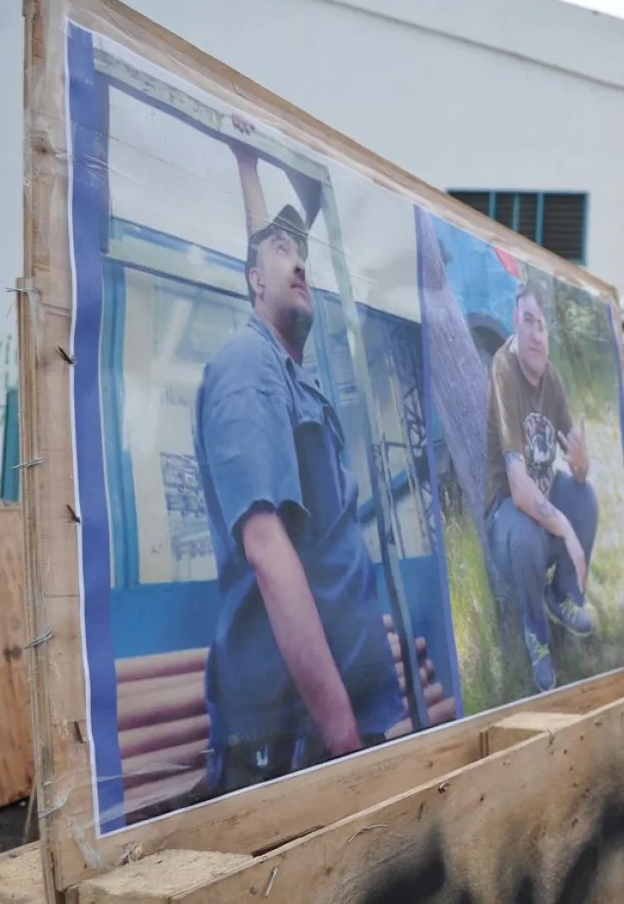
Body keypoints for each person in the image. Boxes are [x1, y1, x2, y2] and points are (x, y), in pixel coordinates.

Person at [191, 142, 404, 794]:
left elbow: (274, 252)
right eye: (284, 256)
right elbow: (267, 551)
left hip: (339, 714)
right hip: (297, 732)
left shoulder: (295, 374)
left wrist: (252, 173)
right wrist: (339, 733)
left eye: (305, 255)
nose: (301, 264)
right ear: (253, 281)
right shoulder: (248, 370)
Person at [486, 280, 598, 693]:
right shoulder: (503, 370)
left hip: (543, 498)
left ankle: (562, 594)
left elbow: (576, 464)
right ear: (516, 322)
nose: (536, 334)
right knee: (528, 538)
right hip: (507, 514)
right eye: (528, 321)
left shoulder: (552, 379)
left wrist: (582, 467)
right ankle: (536, 632)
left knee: (584, 497)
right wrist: (566, 531)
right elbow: (517, 488)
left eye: (543, 326)